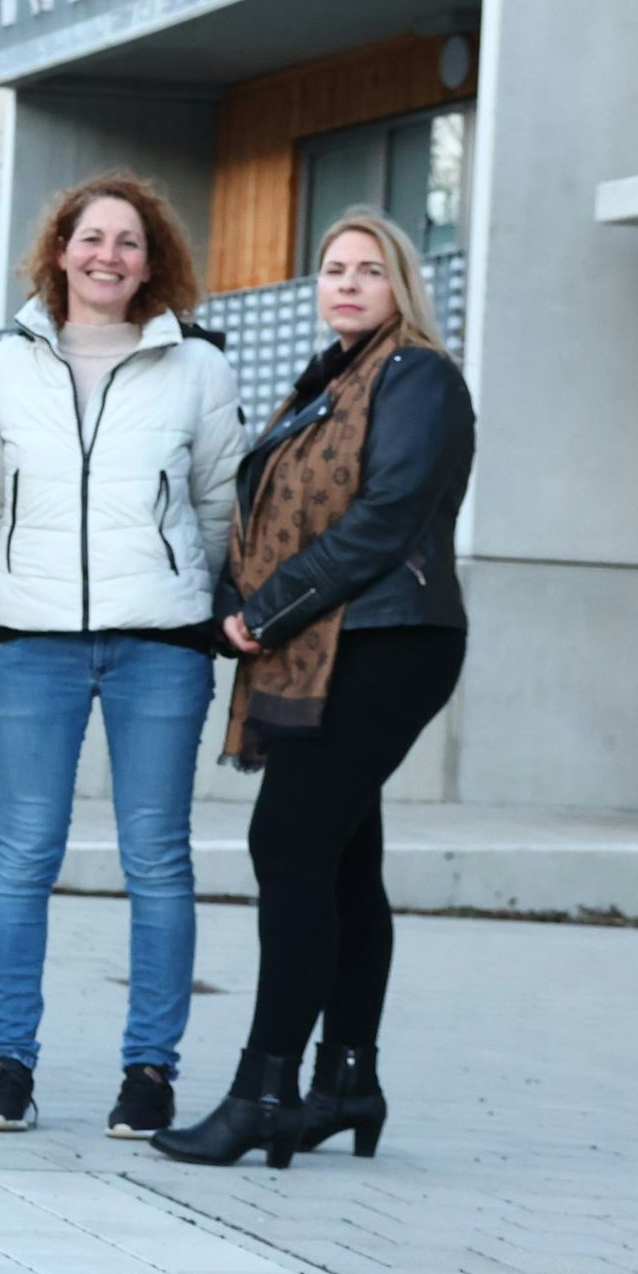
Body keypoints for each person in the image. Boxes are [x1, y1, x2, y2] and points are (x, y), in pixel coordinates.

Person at [161, 208, 473, 1169]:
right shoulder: (327, 382)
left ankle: (265, 1092)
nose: (345, 283)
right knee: (339, 862)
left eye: (367, 270)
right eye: (332, 268)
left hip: (387, 639)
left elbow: (385, 516)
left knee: (287, 845)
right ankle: (346, 1082)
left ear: (401, 286)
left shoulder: (418, 375)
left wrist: (270, 610)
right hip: (341, 639)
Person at [0, 174, 244, 1139]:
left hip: (158, 646)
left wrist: (174, 593)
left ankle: (149, 1074)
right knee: (22, 854)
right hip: (30, 645)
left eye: (128, 242)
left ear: (151, 261)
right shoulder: (6, 367)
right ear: (61, 250)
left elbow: (216, 505)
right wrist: (23, 585)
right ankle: (7, 1066)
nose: (107, 256)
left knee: (157, 859)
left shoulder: (197, 368)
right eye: (92, 238)